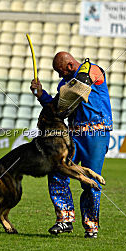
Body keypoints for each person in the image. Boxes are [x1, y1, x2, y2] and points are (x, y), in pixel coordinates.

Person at [30, 52, 113, 238]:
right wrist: (41, 94)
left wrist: (67, 90)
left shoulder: (93, 69)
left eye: (60, 71)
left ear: (69, 65)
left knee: (91, 182)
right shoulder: (64, 85)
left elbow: (83, 82)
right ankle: (65, 219)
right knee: (57, 171)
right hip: (73, 134)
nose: (59, 76)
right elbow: (57, 111)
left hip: (96, 133)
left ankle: (91, 227)